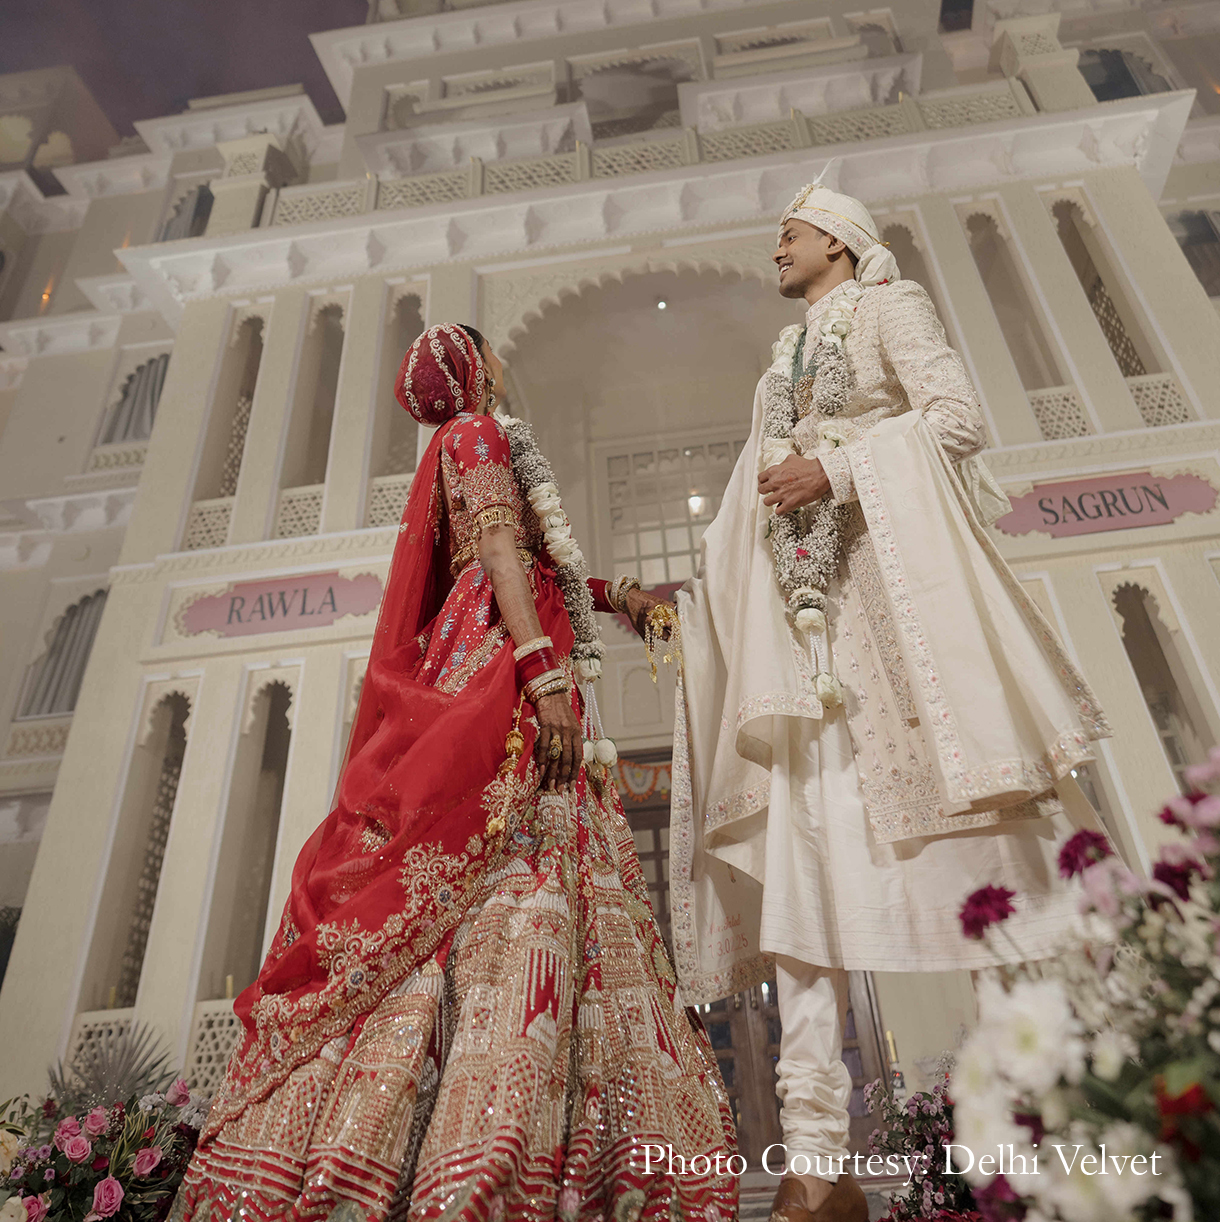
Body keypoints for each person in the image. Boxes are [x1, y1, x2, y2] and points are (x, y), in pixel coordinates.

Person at [172, 324, 736, 1222]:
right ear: (474, 370)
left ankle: (553, 1141)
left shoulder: (467, 444)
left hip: (512, 653)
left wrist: (620, 601)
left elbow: (538, 561)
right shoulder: (477, 434)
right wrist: (543, 670)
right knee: (502, 878)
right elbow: (502, 558)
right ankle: (480, 1153)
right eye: (492, 354)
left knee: (535, 879)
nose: (506, 365)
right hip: (505, 679)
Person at [623, 185, 1111, 1222]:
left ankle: (1025, 1143)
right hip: (801, 654)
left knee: (986, 869)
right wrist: (688, 606)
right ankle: (813, 1162)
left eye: (790, 233)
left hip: (898, 626)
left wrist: (834, 469)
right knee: (804, 879)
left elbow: (953, 420)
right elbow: (757, 499)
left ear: (839, 244)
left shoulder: (893, 308)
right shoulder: (777, 362)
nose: (775, 247)